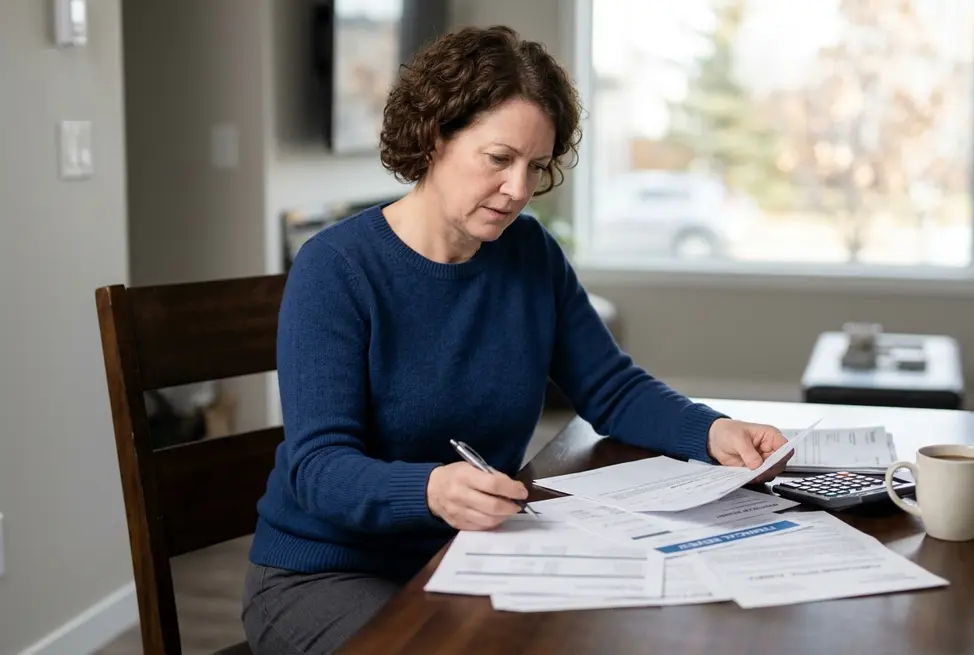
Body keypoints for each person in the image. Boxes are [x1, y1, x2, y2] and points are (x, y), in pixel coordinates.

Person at [241, 25, 791, 654]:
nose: (519, 190)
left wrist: (712, 431)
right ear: (434, 136)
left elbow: (609, 388)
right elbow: (319, 468)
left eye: (536, 166)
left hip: (471, 555)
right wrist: (430, 489)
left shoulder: (530, 253)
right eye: (499, 159)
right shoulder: (336, 268)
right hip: (327, 572)